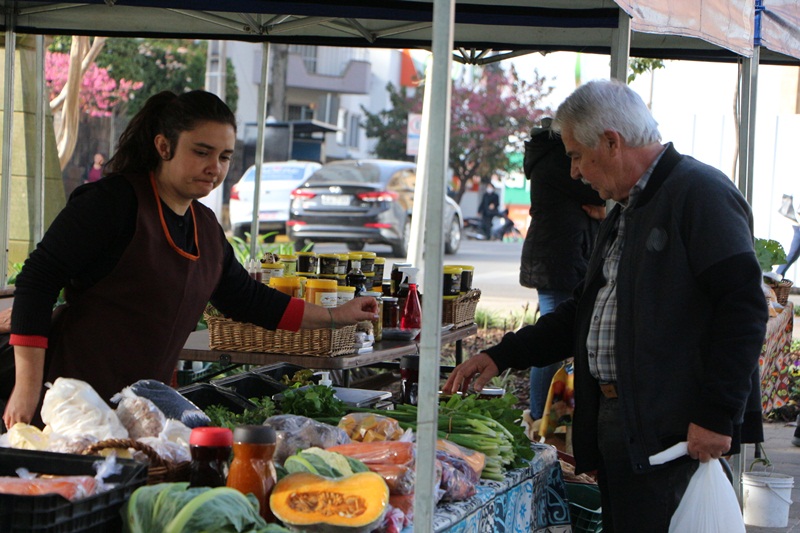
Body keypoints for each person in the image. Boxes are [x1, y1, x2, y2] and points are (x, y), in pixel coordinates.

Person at [444, 80, 767, 531]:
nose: (574, 172)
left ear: (611, 142)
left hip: (676, 435)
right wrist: (502, 355)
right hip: (627, 425)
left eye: (576, 155)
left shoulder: (700, 193)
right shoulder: (624, 210)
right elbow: (583, 312)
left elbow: (744, 309)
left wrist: (716, 415)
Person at [4, 90, 377, 429]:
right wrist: (27, 389)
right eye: (201, 152)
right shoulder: (111, 203)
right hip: (68, 405)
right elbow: (37, 280)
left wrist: (336, 316)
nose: (214, 167)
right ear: (163, 146)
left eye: (225, 156)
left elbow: (248, 298)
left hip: (141, 412)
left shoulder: (206, 228)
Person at [520, 118, 605, 421]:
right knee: (553, 341)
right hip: (559, 261)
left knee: (554, 335)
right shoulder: (557, 159)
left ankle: (548, 416)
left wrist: (605, 210)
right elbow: (602, 192)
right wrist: (605, 209)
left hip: (558, 259)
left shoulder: (546, 157)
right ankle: (543, 418)